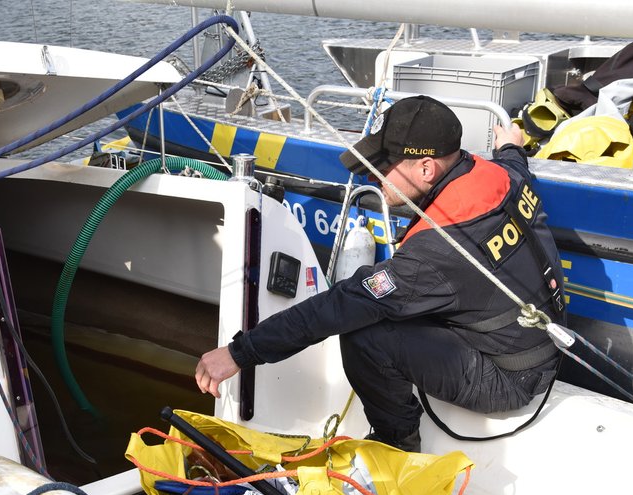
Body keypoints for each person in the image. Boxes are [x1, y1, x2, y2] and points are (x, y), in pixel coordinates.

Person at [194, 95, 564, 452]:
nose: (377, 176)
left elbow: (339, 306)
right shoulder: (501, 175)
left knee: (365, 335)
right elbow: (516, 164)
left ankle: (397, 441)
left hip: (511, 376)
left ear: (426, 168)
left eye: (385, 167)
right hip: (537, 341)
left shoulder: (434, 253)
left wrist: (239, 353)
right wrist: (511, 146)